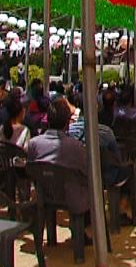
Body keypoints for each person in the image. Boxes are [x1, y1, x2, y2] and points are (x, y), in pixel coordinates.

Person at [26, 100, 92, 241]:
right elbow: (86, 173)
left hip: (44, 194)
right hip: (73, 198)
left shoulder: (33, 144)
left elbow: (31, 170)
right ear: (68, 122)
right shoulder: (76, 146)